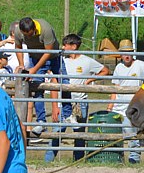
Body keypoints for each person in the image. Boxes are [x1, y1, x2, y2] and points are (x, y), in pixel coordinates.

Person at [45, 34, 109, 162]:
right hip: (62, 103)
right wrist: (54, 105)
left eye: (66, 45)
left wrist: (89, 80)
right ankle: (48, 161)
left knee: (79, 134)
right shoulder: (60, 61)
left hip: (80, 102)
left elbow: (105, 70)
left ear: (74, 47)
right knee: (57, 132)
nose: (63, 48)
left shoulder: (87, 61)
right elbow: (54, 82)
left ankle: (78, 161)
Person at [13, 17, 61, 137]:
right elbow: (18, 47)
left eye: (31, 34)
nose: (29, 38)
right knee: (37, 88)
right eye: (26, 36)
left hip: (53, 56)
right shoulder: (18, 31)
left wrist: (34, 69)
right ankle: (41, 121)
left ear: (34, 28)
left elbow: (48, 52)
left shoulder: (46, 29)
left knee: (63, 83)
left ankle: (68, 114)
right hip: (35, 57)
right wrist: (22, 64)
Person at [107, 40, 144, 164]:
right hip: (119, 107)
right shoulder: (118, 67)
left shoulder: (141, 65)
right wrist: (110, 106)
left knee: (132, 133)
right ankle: (118, 158)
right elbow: (115, 88)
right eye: (124, 53)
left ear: (133, 53)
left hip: (133, 107)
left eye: (129, 53)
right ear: (120, 54)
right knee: (117, 134)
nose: (127, 56)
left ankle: (134, 158)